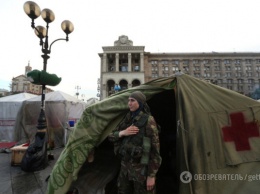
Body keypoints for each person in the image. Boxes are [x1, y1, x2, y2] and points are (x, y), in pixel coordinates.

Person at [108, 91, 162, 194]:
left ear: (140, 103)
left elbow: (155, 150)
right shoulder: (127, 118)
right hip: (125, 168)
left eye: (132, 100)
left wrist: (151, 176)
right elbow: (110, 136)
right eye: (128, 100)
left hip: (141, 170)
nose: (129, 103)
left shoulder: (148, 120)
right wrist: (123, 133)